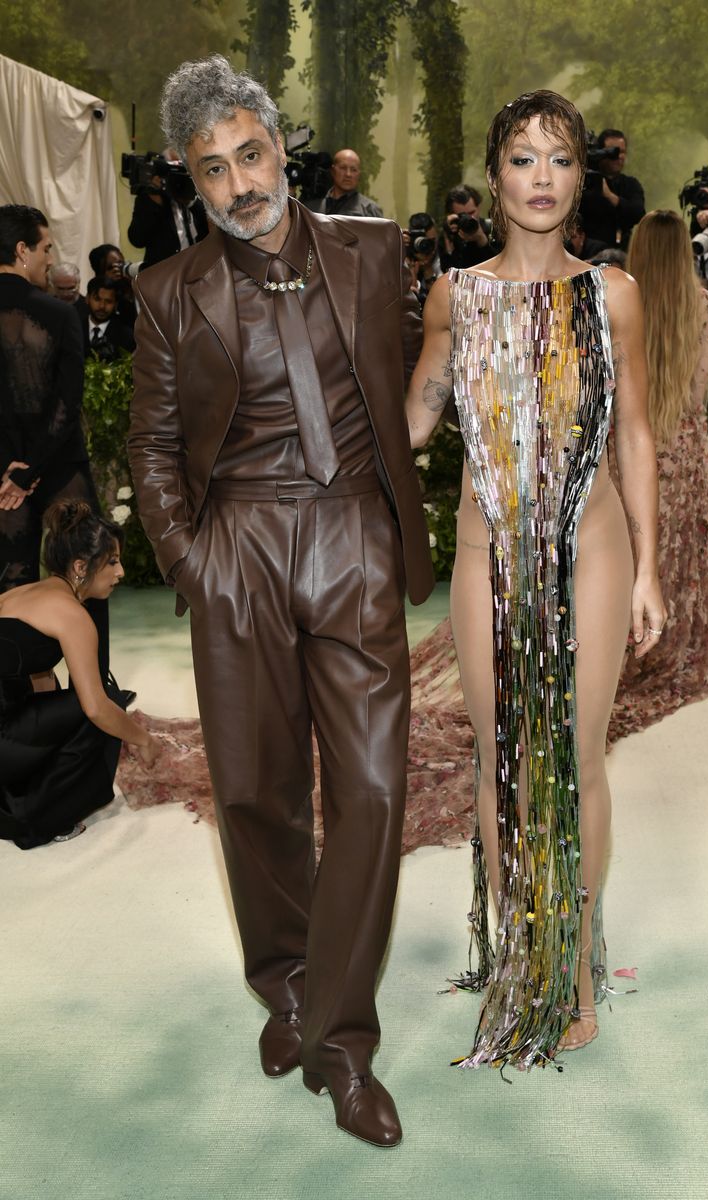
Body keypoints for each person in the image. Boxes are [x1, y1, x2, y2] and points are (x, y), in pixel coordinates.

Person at [128, 55, 432, 1148]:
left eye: (249, 155)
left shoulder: (372, 249)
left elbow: (410, 387)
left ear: (279, 146)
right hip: (239, 544)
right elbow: (152, 448)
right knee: (256, 794)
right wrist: (192, 561)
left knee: (370, 789)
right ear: (189, 180)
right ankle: (286, 985)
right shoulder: (168, 295)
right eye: (212, 170)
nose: (238, 183)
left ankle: (343, 1043)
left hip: (352, 532)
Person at [406, 90, 664, 1066]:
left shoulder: (612, 294)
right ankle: (522, 952)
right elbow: (415, 425)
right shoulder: (454, 297)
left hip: (589, 551)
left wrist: (645, 567)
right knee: (498, 758)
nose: (543, 177)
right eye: (523, 158)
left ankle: (574, 970)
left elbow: (632, 432)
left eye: (559, 158)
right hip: (485, 556)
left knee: (576, 756)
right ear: (494, 173)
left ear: (580, 177)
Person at [607, 211, 708, 743]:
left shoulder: (616, 302)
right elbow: (698, 395)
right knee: (672, 555)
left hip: (627, 447)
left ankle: (614, 654)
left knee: (626, 554)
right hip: (681, 445)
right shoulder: (700, 304)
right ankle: (665, 651)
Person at [0, 501, 158, 849]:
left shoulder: (23, 593)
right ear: (80, 566)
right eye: (113, 562)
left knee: (73, 706)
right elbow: (95, 708)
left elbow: (38, 677)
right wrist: (143, 739)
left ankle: (22, 797)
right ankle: (38, 820)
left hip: (6, 725)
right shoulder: (72, 615)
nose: (121, 573)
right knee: (105, 707)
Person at [0, 206, 100, 591]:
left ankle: (16, 654)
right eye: (46, 249)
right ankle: (87, 653)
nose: (50, 259)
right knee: (86, 576)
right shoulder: (60, 313)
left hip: (2, 474)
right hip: (60, 464)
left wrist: (11, 472)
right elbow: (66, 405)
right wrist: (31, 469)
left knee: (10, 588)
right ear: (22, 250)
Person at [579, 127, 645, 250]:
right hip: (587, 254)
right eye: (613, 152)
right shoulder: (583, 182)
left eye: (622, 152)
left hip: (621, 253)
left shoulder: (630, 184)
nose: (618, 156)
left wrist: (610, 196)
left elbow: (638, 213)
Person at [305, 148, 383, 217]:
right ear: (333, 171)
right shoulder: (312, 208)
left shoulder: (370, 209)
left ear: (358, 175)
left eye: (353, 170)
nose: (348, 174)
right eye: (343, 168)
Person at [439, 184, 496, 271]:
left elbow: (497, 270)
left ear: (479, 207)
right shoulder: (450, 235)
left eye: (472, 212)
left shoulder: (493, 230)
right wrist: (448, 238)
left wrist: (482, 239)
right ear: (452, 215)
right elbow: (447, 273)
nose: (469, 218)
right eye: (462, 215)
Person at [83, 276, 136, 360]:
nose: (102, 306)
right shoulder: (74, 328)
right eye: (97, 299)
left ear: (116, 304)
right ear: (87, 298)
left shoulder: (126, 335)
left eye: (108, 301)